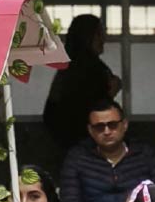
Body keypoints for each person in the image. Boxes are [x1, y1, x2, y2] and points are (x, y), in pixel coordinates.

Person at [42, 14, 121, 157]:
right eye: (98, 34)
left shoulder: (69, 68)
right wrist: (109, 93)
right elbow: (88, 107)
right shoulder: (88, 69)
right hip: (83, 146)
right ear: (86, 37)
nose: (103, 40)